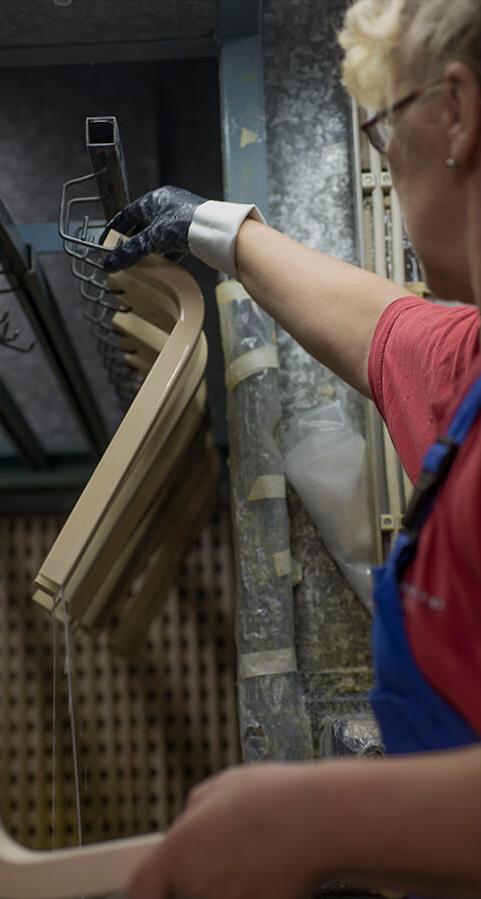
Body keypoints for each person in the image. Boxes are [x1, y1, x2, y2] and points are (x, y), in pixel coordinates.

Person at [101, 0, 481, 896]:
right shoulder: (469, 364)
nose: (383, 152)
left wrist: (314, 818)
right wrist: (215, 228)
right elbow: (380, 328)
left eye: (384, 126)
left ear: (457, 114)